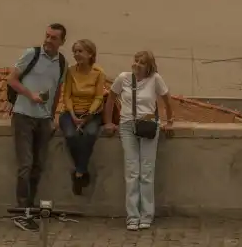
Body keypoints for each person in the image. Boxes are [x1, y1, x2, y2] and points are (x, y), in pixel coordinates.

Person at [103, 50, 175, 231]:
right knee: (132, 170)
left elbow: (167, 99)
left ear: (149, 65)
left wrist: (169, 121)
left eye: (141, 62)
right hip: (127, 126)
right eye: (135, 61)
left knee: (146, 171)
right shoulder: (123, 78)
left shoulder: (155, 79)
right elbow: (111, 98)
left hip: (148, 125)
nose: (137, 64)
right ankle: (132, 216)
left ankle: (146, 215)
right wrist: (108, 122)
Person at [6, 23, 68, 232]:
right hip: (23, 115)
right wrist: (29, 94)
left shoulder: (61, 62)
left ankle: (29, 209)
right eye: (47, 36)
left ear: (61, 42)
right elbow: (12, 80)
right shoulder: (31, 54)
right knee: (25, 165)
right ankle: (22, 212)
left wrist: (51, 115)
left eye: (53, 38)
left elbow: (57, 90)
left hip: (43, 119)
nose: (49, 40)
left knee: (38, 165)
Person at [59, 38, 106, 195]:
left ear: (90, 54)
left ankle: (78, 173)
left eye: (80, 51)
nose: (77, 54)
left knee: (90, 134)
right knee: (71, 135)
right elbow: (67, 96)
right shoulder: (71, 71)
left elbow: (99, 97)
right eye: (75, 52)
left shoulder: (98, 73)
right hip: (71, 113)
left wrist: (88, 115)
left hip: (92, 114)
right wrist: (73, 116)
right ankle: (82, 170)